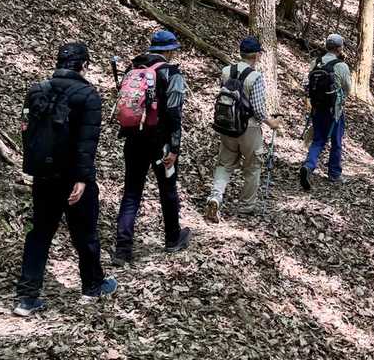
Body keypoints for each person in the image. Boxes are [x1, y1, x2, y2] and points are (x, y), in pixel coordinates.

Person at [15, 41, 116, 315]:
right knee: (85, 233)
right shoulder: (88, 96)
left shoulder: (37, 90)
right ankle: (93, 286)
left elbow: (27, 131)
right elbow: (87, 143)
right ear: (84, 65)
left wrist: (34, 167)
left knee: (39, 232)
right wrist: (82, 178)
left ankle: (26, 297)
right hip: (73, 177)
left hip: (43, 175)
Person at [112, 28, 188, 264]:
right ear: (170, 51)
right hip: (160, 143)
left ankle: (122, 249)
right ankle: (173, 238)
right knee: (167, 189)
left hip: (133, 139)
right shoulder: (171, 73)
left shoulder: (133, 69)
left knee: (131, 192)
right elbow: (174, 113)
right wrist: (174, 148)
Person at [205, 36, 281, 221]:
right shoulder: (256, 77)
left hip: (226, 125)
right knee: (253, 166)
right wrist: (272, 123)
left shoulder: (226, 71)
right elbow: (258, 110)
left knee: (224, 164)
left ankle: (215, 197)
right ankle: (246, 206)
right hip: (249, 128)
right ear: (256, 55)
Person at [300, 33, 351, 189]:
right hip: (334, 110)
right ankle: (334, 174)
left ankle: (308, 165)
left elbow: (307, 84)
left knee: (318, 139)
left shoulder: (315, 62)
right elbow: (348, 88)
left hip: (317, 108)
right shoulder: (341, 66)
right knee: (336, 141)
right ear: (339, 48)